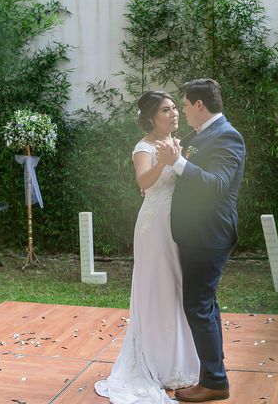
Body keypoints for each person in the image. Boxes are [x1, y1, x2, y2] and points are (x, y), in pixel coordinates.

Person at [94, 91, 200, 403]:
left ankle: (179, 361)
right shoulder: (143, 147)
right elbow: (144, 182)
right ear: (152, 118)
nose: (174, 114)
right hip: (155, 226)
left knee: (178, 287)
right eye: (166, 110)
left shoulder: (180, 143)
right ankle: (157, 362)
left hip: (179, 224)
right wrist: (165, 162)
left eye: (174, 109)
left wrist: (179, 159)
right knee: (158, 286)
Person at [156, 78, 246, 402]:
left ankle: (215, 383)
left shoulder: (228, 137)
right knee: (204, 304)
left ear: (199, 105)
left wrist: (177, 163)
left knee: (197, 305)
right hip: (196, 234)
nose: (182, 111)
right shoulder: (200, 135)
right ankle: (213, 375)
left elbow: (216, 184)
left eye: (184, 105)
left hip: (210, 235)